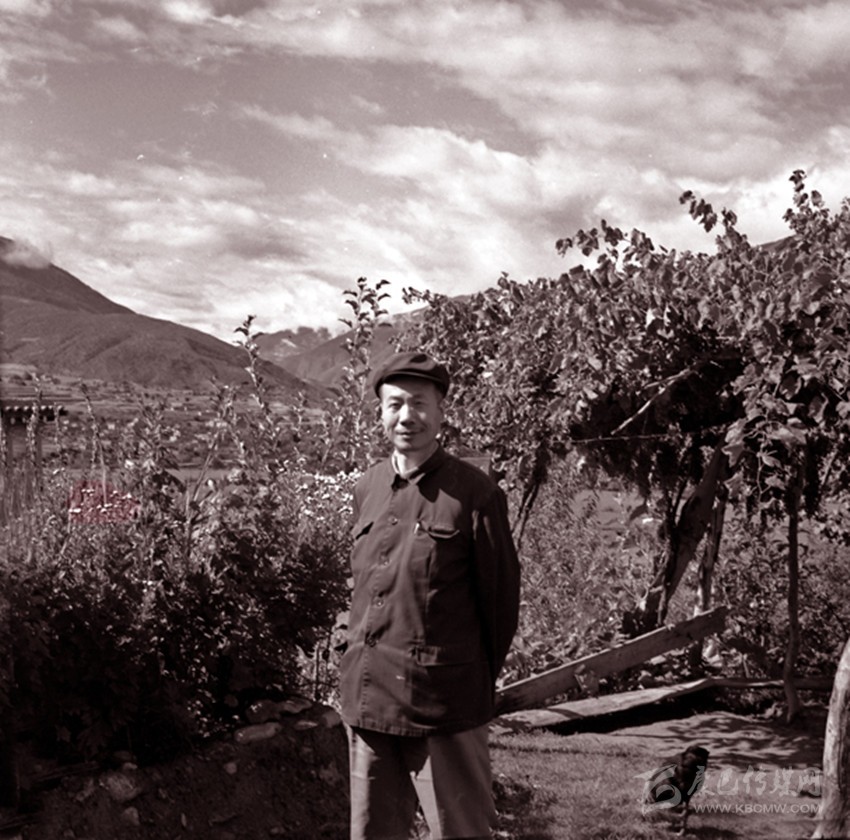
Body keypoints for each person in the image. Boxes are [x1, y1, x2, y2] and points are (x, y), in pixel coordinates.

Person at [339, 350, 521, 840]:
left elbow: (500, 607)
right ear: (380, 413)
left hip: (444, 705)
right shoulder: (368, 487)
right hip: (370, 697)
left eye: (419, 403)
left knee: (459, 831)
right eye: (395, 404)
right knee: (372, 831)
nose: (407, 416)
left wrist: (464, 679)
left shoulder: (475, 495)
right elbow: (364, 589)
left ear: (441, 411)